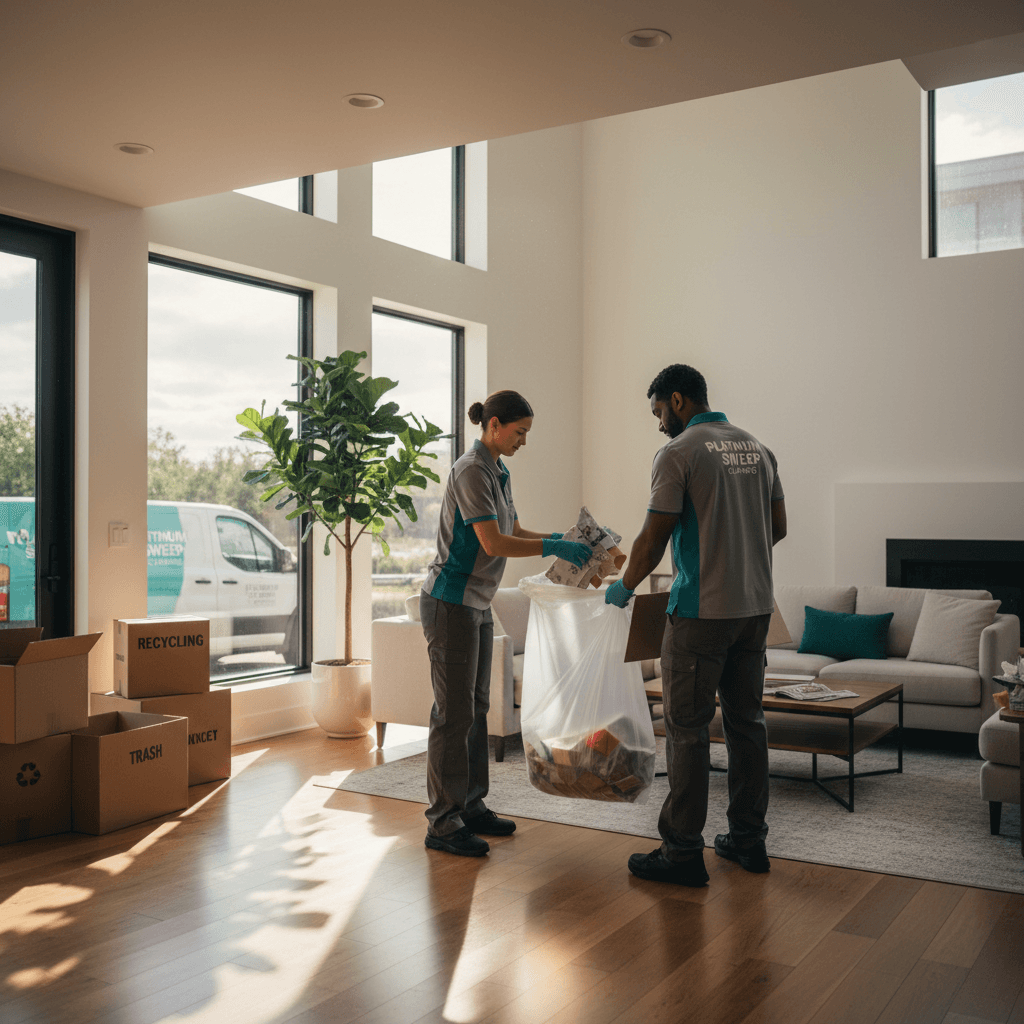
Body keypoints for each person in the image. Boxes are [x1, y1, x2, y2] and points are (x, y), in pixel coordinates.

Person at [605, 364, 787, 887]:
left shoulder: (679, 453)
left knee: (687, 732)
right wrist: (738, 558)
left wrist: (623, 589)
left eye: (660, 411)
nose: (660, 423)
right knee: (747, 725)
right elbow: (777, 528)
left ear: (679, 400)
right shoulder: (759, 448)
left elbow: (652, 538)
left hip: (698, 614)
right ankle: (748, 842)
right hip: (755, 610)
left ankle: (682, 851)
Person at [420, 390, 592, 857]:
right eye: (518, 433)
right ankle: (442, 822)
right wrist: (555, 549)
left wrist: (561, 538)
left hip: (476, 602)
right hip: (450, 602)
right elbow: (493, 543)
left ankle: (471, 807)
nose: (522, 442)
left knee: (476, 709)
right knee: (452, 714)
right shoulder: (472, 469)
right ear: (494, 425)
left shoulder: (497, 469)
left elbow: (514, 529)